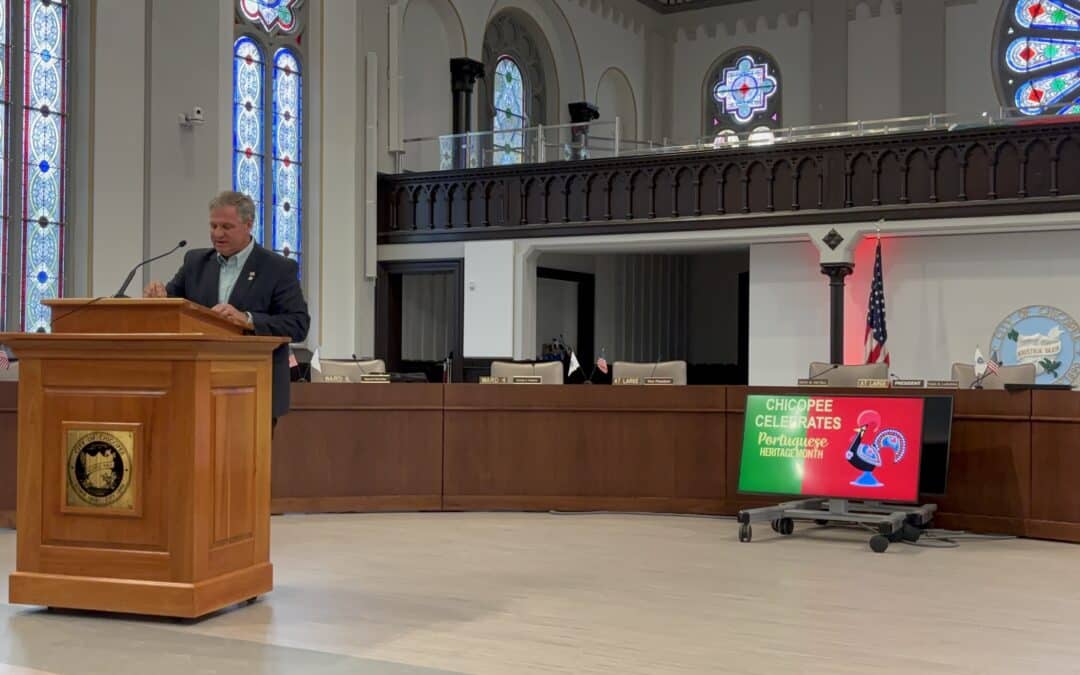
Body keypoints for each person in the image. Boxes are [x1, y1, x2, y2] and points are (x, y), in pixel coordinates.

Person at [144, 191, 310, 426]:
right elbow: (174, 308)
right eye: (213, 226)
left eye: (226, 227)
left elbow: (299, 324)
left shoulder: (278, 268)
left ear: (249, 224)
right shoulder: (195, 262)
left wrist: (249, 319)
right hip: (195, 388)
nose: (217, 234)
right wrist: (159, 300)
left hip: (253, 386)